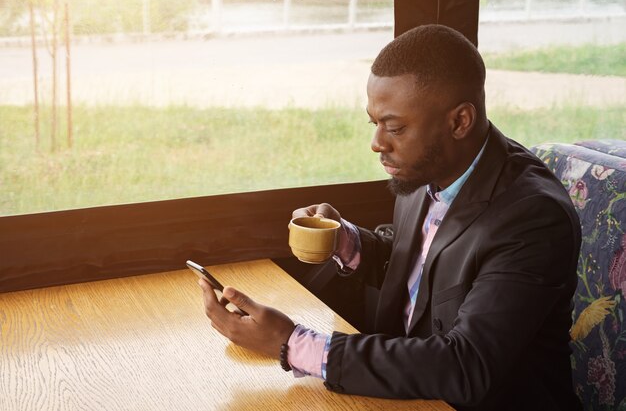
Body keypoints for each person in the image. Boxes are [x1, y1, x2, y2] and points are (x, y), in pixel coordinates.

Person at [198, 24, 583, 411]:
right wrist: (344, 241)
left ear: (459, 122)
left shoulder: (533, 218)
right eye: (375, 123)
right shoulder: (425, 170)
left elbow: (466, 365)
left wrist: (292, 343)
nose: (377, 143)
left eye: (394, 127)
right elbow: (426, 272)